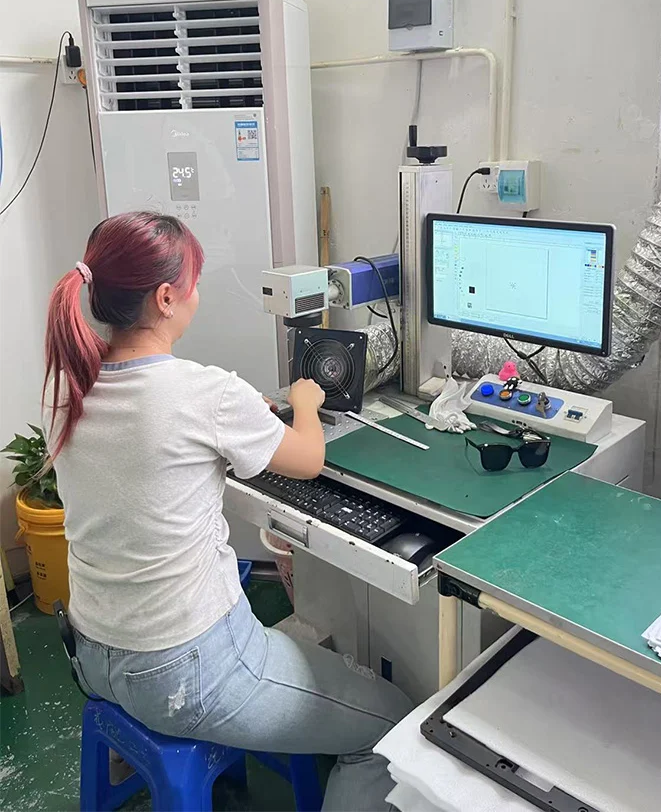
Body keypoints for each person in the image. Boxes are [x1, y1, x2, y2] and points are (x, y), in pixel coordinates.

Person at [43, 211, 411, 811]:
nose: (198, 294)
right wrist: (305, 400)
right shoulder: (204, 393)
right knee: (390, 731)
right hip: (186, 673)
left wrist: (240, 417)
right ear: (166, 298)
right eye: (194, 282)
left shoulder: (66, 387)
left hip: (92, 653)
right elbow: (308, 459)